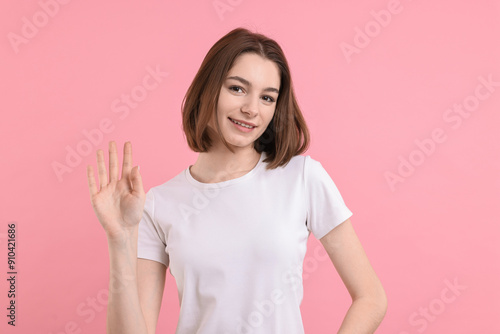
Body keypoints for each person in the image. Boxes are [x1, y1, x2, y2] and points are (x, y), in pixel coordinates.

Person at [86, 27, 387, 334]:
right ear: (209, 89)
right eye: (237, 89)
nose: (251, 109)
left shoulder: (302, 178)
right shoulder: (158, 204)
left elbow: (371, 298)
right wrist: (120, 240)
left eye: (267, 97)